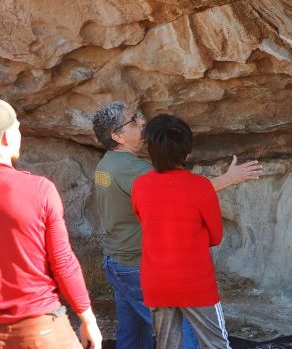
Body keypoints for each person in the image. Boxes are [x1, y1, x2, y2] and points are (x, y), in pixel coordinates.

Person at [92, 102, 261, 349]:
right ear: (116, 136)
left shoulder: (107, 163)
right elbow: (180, 191)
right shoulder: (133, 170)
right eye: (133, 120)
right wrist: (229, 178)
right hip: (134, 264)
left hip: (116, 260)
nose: (141, 122)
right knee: (184, 336)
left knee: (134, 332)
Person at [0, 99, 102, 349]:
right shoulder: (38, 190)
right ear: (5, 137)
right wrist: (87, 318)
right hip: (37, 327)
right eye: (17, 130)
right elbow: (63, 261)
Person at [132, 114, 229, 349]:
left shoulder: (140, 185)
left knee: (167, 346)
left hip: (156, 281)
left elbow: (145, 221)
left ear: (152, 150)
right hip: (195, 282)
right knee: (216, 345)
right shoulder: (201, 187)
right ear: (186, 152)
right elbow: (216, 237)